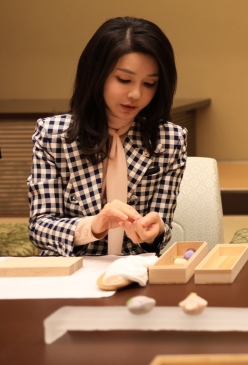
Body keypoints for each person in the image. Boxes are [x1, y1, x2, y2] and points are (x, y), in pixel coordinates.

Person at [28, 17, 187, 257]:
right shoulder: (53, 135)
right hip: (68, 275)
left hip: (133, 272)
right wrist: (92, 226)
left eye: (150, 83)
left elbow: (160, 227)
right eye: (124, 80)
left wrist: (154, 231)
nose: (136, 94)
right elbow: (39, 227)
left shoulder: (170, 140)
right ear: (96, 74)